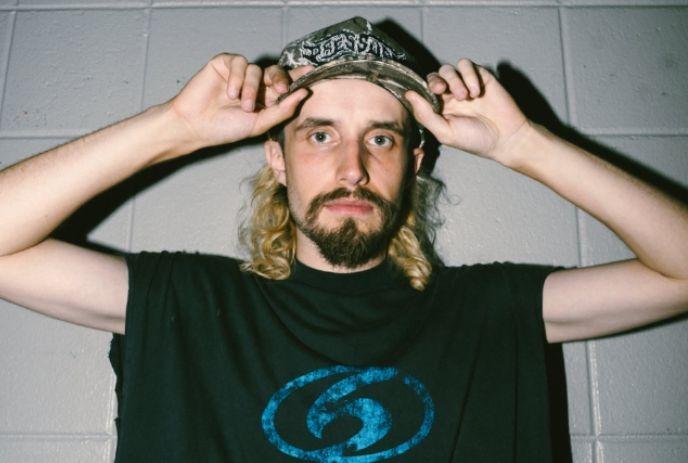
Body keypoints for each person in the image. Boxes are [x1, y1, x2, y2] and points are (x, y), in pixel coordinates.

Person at [0, 16, 686, 463]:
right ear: (277, 156)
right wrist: (172, 129)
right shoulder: (185, 304)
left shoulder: (488, 310)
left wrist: (524, 144)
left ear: (415, 161)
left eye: (380, 138)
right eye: (320, 134)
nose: (352, 167)